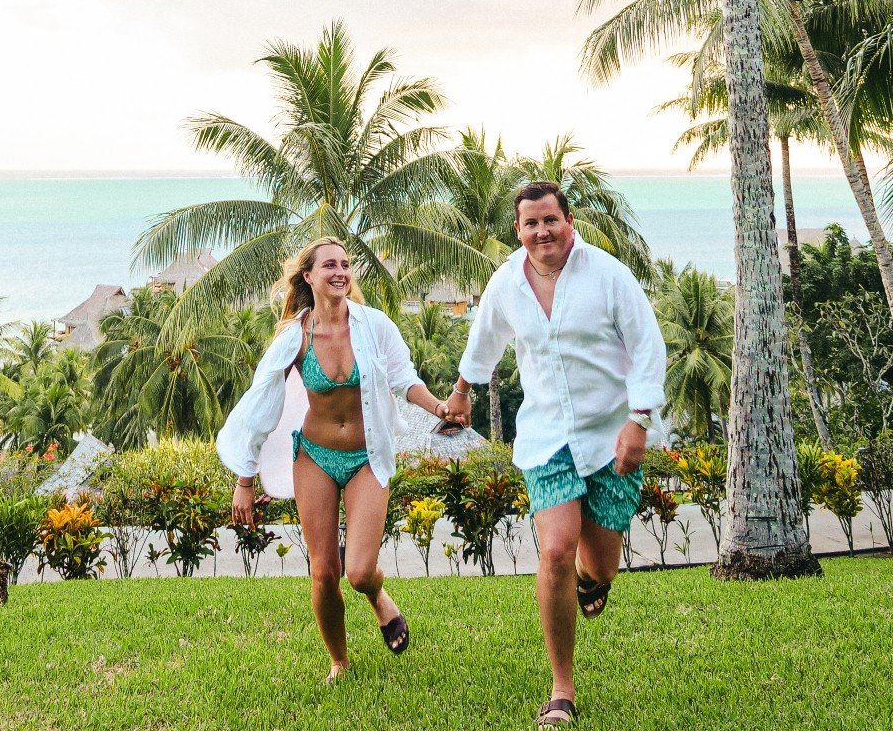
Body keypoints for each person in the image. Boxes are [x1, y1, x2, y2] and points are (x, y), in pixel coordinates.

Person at [443, 180, 666, 727]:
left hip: (611, 433)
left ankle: (592, 580)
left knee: (601, 565)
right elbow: (484, 339)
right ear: (517, 230)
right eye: (531, 223)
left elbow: (647, 347)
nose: (542, 231)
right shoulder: (506, 283)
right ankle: (562, 689)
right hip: (546, 438)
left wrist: (639, 421)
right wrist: (462, 390)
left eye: (550, 220)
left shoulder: (608, 275)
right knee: (557, 552)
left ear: (569, 222)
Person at [218, 237, 455, 681]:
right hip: (315, 456)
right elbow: (259, 407)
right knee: (324, 572)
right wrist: (244, 480)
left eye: (345, 264)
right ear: (308, 276)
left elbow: (405, 379)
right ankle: (339, 662)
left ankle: (378, 597)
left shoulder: (374, 325)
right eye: (330, 265)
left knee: (359, 571)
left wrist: (439, 407)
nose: (341, 272)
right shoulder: (295, 337)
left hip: (367, 456)